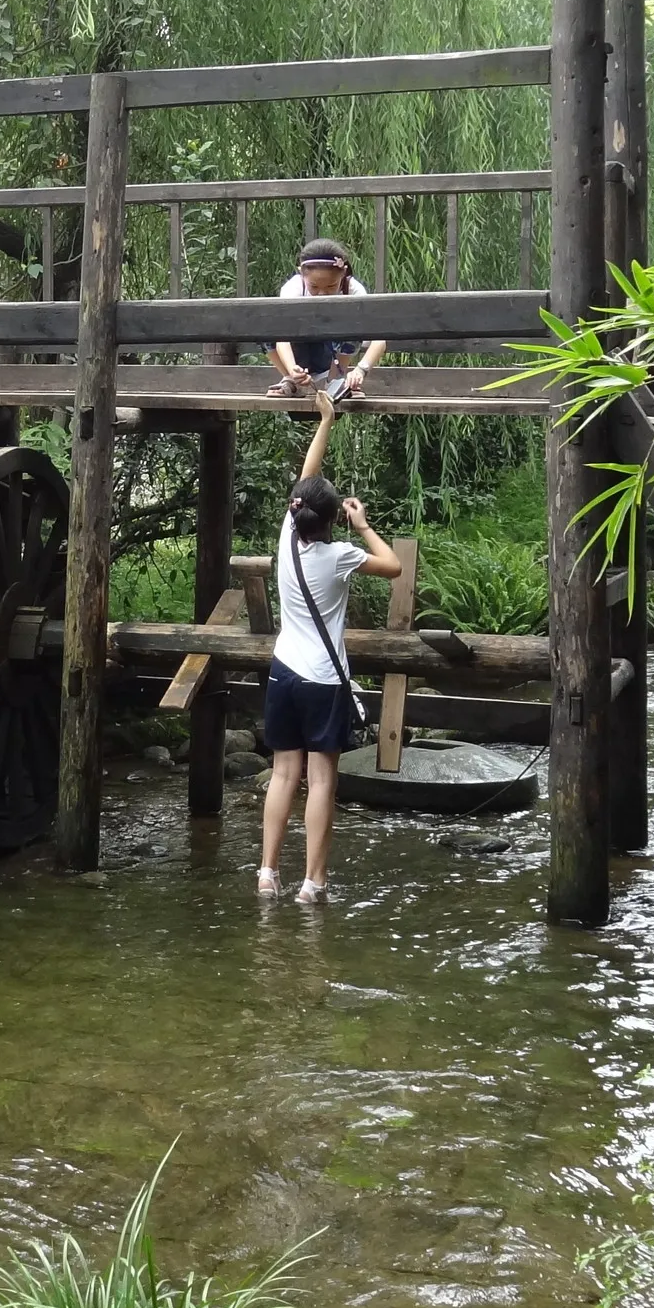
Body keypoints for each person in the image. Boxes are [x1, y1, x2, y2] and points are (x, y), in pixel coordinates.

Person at [257, 390, 402, 903]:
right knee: (320, 781)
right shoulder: (341, 554)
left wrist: (325, 422)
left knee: (282, 773)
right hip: (323, 679)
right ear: (335, 520)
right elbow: (394, 567)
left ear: (296, 513)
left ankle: (267, 873)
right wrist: (363, 525)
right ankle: (312, 884)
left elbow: (307, 476)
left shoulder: (286, 537)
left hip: (283, 671)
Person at [266, 239, 388, 398]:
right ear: (302, 273)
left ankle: (335, 380)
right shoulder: (293, 288)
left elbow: (379, 338)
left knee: (353, 325)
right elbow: (281, 335)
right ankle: (290, 380)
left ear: (343, 273)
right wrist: (291, 368)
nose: (322, 294)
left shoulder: (353, 290)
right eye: (314, 287)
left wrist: (360, 370)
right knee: (265, 325)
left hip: (332, 357)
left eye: (331, 286)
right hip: (298, 356)